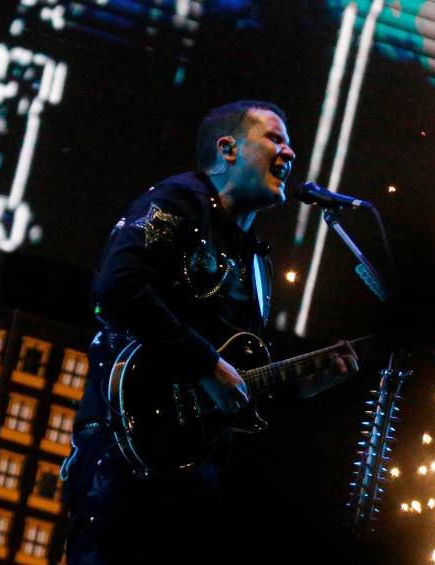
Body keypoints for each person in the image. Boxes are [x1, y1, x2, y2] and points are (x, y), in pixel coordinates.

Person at [62, 100, 359, 564]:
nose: (290, 152)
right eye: (275, 138)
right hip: (122, 463)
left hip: (195, 482)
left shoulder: (257, 262)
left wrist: (305, 386)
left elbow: (238, 385)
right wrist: (203, 363)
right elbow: (117, 288)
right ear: (228, 149)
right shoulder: (176, 203)